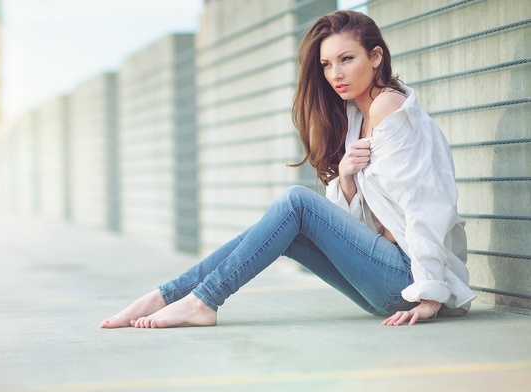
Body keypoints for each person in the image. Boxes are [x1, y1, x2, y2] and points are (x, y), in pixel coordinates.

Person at [100, 10, 476, 329]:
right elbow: (356, 229)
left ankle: (201, 301)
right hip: (389, 281)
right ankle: (168, 295)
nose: (335, 74)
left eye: (347, 59)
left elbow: (426, 203)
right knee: (289, 231)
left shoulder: (390, 110)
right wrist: (346, 177)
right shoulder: (356, 116)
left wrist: (428, 295)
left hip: (409, 282)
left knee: (297, 202)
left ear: (376, 57)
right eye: (327, 64)